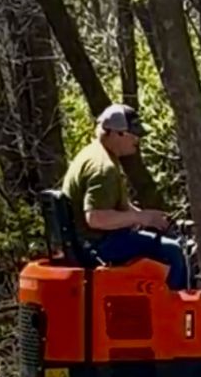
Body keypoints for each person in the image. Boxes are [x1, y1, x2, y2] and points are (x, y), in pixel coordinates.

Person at [62, 104, 188, 290]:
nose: (137, 139)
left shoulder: (94, 154)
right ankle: (174, 313)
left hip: (90, 240)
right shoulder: (103, 168)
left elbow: (110, 205)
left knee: (156, 241)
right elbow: (95, 218)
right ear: (115, 133)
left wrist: (147, 217)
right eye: (133, 134)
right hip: (97, 246)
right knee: (174, 251)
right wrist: (140, 217)